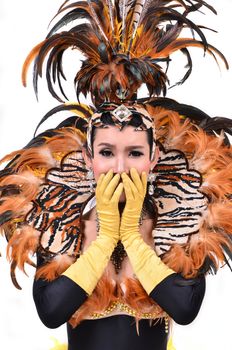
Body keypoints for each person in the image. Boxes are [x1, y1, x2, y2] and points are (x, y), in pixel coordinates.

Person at [0, 1, 232, 350]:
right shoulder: (59, 213)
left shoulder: (183, 210)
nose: (120, 167)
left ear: (154, 158)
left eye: (135, 153)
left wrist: (133, 239)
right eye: (107, 152)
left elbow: (184, 309)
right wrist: (105, 237)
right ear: (89, 156)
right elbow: (50, 311)